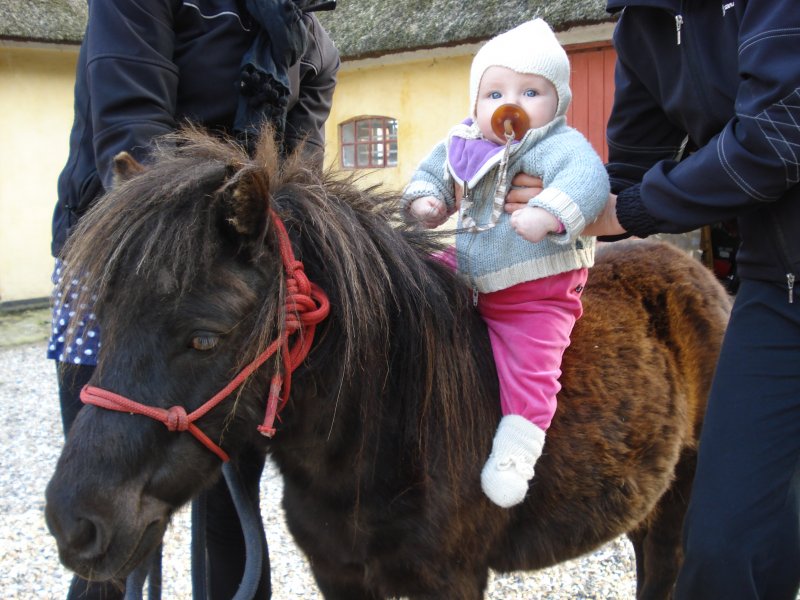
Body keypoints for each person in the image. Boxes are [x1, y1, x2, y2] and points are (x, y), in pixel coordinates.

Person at [47, 1, 339, 598]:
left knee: (230, 507)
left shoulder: (314, 46)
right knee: (103, 500)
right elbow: (130, 130)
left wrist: (275, 276)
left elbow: (297, 177)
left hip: (233, 290)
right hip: (122, 267)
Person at [509, 2, 800, 597]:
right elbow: (629, 170)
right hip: (776, 290)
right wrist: (554, 202)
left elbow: (777, 138)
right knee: (723, 546)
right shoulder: (641, 21)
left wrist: (629, 210)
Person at [402, 19, 609, 509]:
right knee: (414, 278)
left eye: (531, 92)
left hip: (535, 286)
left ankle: (517, 450)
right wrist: (428, 201)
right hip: (469, 266)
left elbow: (588, 180)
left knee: (532, 362)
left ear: (557, 102)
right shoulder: (464, 141)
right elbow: (432, 171)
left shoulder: (558, 145)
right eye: (494, 93)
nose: (509, 104)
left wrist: (549, 212)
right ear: (476, 103)